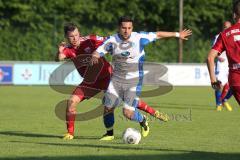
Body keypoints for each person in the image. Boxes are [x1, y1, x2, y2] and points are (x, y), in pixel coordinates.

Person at [57, 23, 169, 140]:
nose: (75, 38)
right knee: (71, 102)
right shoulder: (68, 50)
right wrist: (59, 51)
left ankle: (152, 114)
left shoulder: (91, 40)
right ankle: (70, 133)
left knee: (127, 100)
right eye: (71, 36)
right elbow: (59, 58)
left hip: (107, 77)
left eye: (76, 35)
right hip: (89, 83)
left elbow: (110, 41)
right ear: (66, 37)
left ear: (79, 33)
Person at [92, 16, 192, 139]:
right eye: (123, 28)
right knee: (108, 107)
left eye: (129, 28)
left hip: (134, 80)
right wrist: (94, 57)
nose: (126, 30)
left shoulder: (139, 38)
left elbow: (158, 34)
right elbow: (97, 52)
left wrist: (177, 34)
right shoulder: (112, 41)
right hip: (116, 80)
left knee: (127, 113)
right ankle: (109, 134)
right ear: (119, 28)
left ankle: (143, 119)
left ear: (132, 28)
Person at [207, 0, 240, 107]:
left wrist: (213, 81)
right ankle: (221, 103)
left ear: (234, 14)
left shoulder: (225, 34)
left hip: (236, 80)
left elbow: (210, 58)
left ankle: (221, 102)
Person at [212, 21, 233, 111]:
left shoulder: (234, 36)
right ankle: (218, 104)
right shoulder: (218, 37)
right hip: (221, 64)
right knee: (219, 84)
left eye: (228, 27)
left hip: (231, 63)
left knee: (234, 85)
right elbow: (212, 51)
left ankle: (224, 99)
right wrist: (218, 56)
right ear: (222, 28)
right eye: (225, 27)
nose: (226, 29)